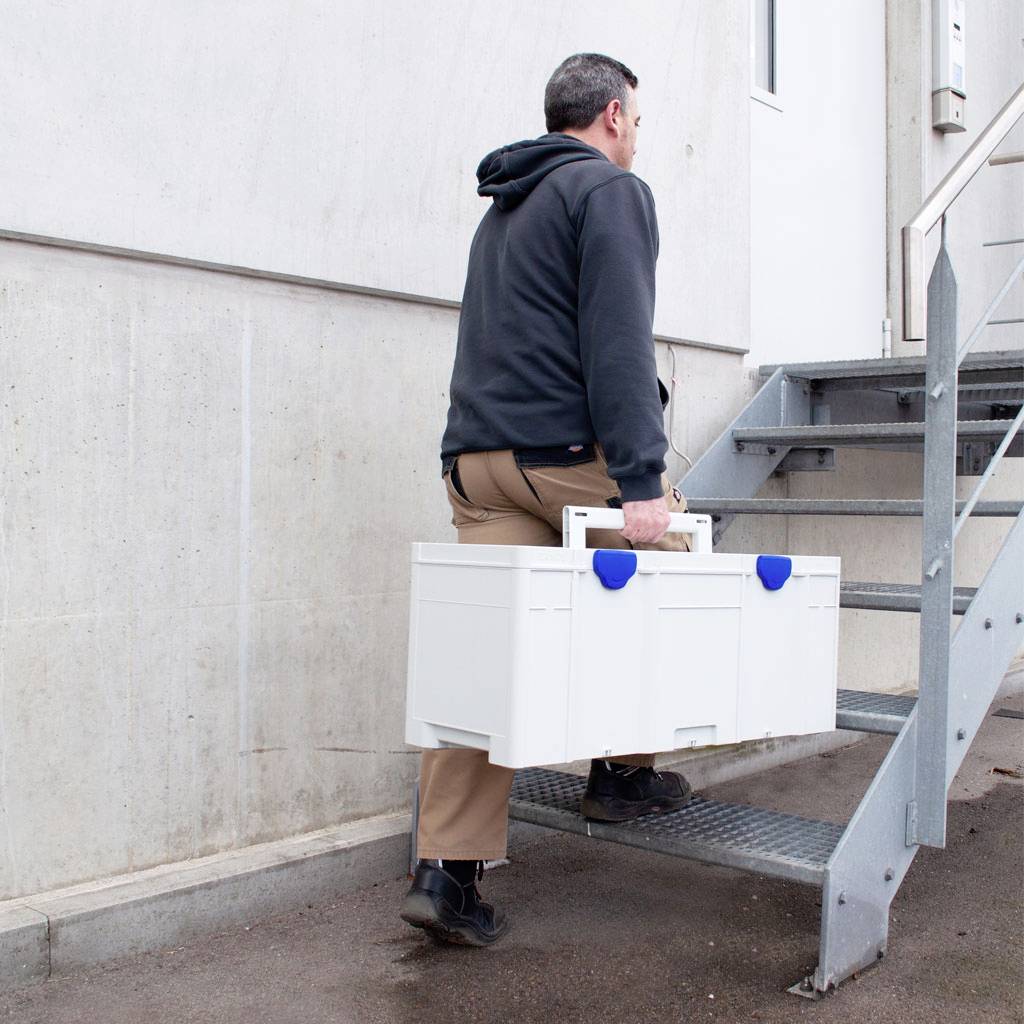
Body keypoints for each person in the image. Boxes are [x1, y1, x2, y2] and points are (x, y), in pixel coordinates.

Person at [400, 53, 693, 947]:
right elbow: (616, 336)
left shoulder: (507, 206)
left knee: (485, 654)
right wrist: (642, 484)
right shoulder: (608, 191)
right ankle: (623, 769)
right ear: (612, 115)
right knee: (672, 562)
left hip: (477, 462)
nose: (636, 135)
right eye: (636, 120)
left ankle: (446, 872)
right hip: (561, 457)